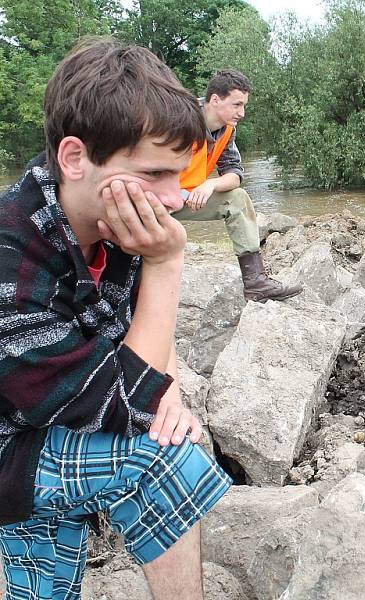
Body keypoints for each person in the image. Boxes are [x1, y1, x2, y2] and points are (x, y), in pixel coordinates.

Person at [0, 38, 232, 600]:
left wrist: (170, 390)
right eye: (154, 173)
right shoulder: (11, 257)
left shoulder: (113, 215)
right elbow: (120, 406)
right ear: (75, 157)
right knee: (164, 464)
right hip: (13, 443)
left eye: (179, 175)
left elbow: (144, 341)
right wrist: (168, 262)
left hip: (52, 417)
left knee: (46, 589)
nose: (174, 198)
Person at [173, 69, 302, 302]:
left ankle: (255, 282)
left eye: (244, 106)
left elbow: (234, 174)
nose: (241, 113)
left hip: (185, 197)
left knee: (237, 197)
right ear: (215, 100)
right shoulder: (178, 117)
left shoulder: (227, 129)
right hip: (152, 197)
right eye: (236, 105)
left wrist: (210, 185)